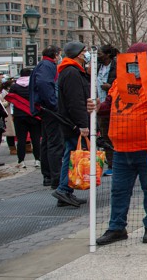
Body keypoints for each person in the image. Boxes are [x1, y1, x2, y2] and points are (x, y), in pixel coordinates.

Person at [96, 42, 147, 245]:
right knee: (119, 190)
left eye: (138, 62)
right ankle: (116, 227)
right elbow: (108, 106)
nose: (133, 66)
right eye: (131, 61)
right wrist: (96, 107)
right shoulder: (120, 82)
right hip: (122, 148)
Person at [52, 42, 92, 208]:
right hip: (73, 123)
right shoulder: (72, 73)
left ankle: (65, 191)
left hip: (71, 122)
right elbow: (75, 101)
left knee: (71, 154)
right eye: (83, 51)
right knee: (71, 155)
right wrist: (82, 124)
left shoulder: (71, 71)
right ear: (77, 54)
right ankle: (63, 189)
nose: (86, 54)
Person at [29, 46, 61, 187]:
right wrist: (53, 103)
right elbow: (44, 84)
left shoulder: (42, 65)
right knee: (53, 142)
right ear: (55, 55)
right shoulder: (47, 66)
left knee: (47, 141)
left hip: (45, 108)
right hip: (49, 109)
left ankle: (48, 175)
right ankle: (54, 176)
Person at [6, 69, 42, 170]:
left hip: (19, 116)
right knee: (35, 139)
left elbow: (11, 99)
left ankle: (21, 161)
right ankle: (37, 160)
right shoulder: (34, 84)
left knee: (21, 139)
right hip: (33, 115)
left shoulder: (14, 86)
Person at [96, 45, 118, 176]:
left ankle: (116, 163)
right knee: (105, 136)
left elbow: (121, 84)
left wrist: (110, 87)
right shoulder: (96, 67)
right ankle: (111, 164)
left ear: (108, 55)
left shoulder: (117, 67)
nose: (98, 55)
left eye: (100, 53)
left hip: (113, 106)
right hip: (100, 106)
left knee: (114, 135)